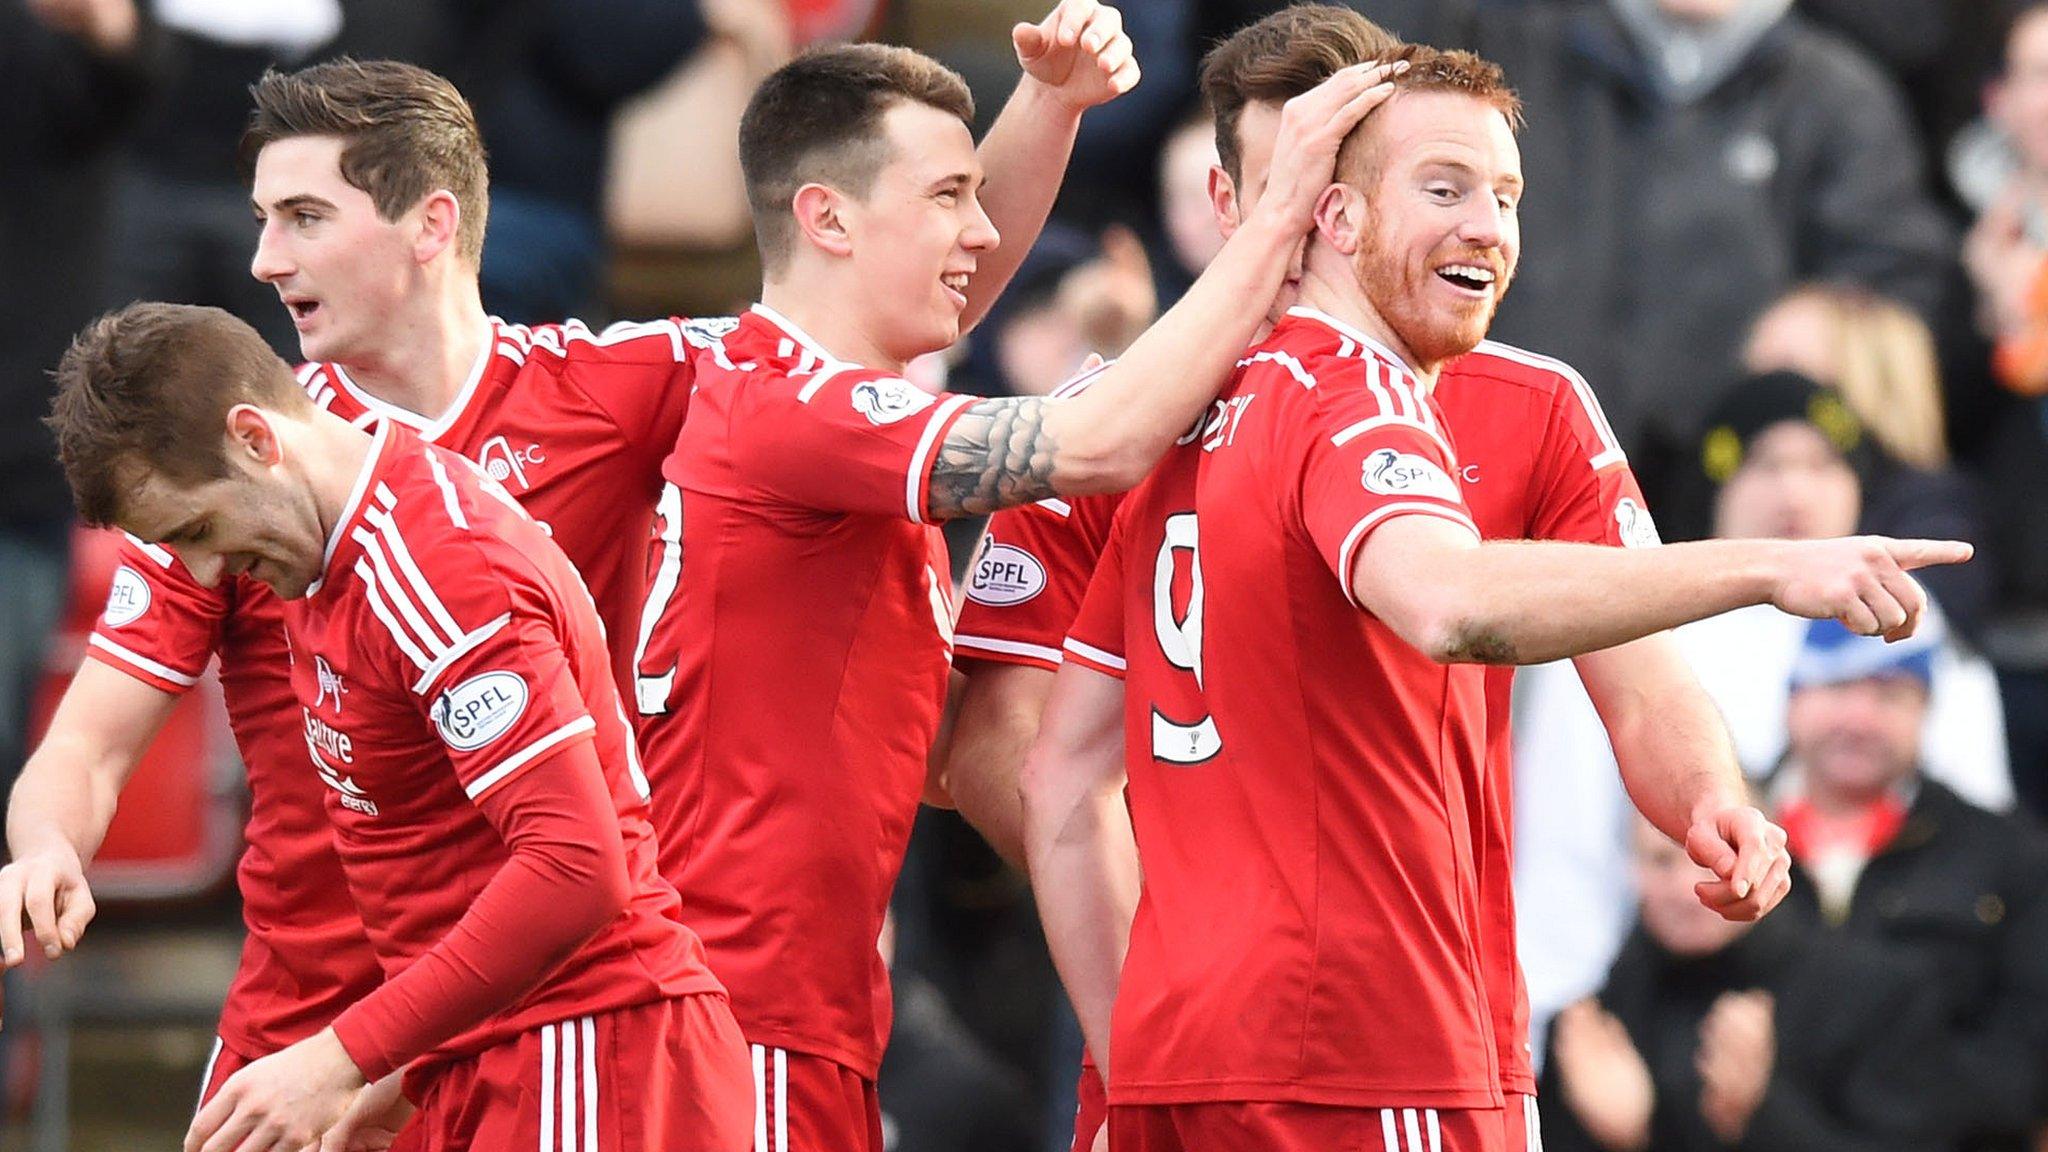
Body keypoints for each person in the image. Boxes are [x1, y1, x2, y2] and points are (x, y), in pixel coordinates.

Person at [1, 0, 1134, 1116]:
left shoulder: (607, 389)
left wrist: (1044, 106)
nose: (261, 259)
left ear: (430, 224)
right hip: (309, 1022)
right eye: (263, 218)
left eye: (301, 217)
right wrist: (48, 845)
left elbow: (883, 303)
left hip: (541, 1021)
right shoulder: (241, 468)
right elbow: (90, 748)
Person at [1022, 42, 1969, 1152]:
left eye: (1506, 194)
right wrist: (1764, 566)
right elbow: (1449, 601)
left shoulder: (1156, 419)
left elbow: (1059, 771)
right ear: (1326, 212)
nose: (1487, 225)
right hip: (1374, 1037)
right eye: (1443, 188)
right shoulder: (1349, 394)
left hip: (1184, 1050)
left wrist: (1706, 797)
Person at [942, 6, 1760, 1144]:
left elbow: (1641, 675)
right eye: (1291, 183)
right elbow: (1000, 742)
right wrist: (1160, 985)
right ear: (1229, 204)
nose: (1315, 218)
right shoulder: (1104, 430)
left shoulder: (1531, 405)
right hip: (1348, 1042)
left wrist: (1707, 796)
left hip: (1293, 1031)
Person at [622, 35, 1401, 1152]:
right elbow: (1100, 440)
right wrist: (1281, 217)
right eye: (947, 197)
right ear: (829, 222)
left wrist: (1050, 102)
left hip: (794, 1008)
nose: (981, 235)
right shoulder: (796, 411)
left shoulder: (807, 397)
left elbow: (939, 758)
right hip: (723, 1016)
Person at [46, 301, 754, 1152]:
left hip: (591, 1057)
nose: (207, 568)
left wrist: (339, 1057)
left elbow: (577, 866)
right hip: (482, 1049)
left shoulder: (432, 562)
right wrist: (399, 1069)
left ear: (257, 440)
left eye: (200, 528)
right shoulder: (326, 562)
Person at [1513, 369, 2013, 1055]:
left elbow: (1982, 851)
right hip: (1655, 1012)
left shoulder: (1919, 635)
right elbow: (1565, 855)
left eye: (1822, 464)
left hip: (1874, 1021)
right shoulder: (1627, 627)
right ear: (1717, 478)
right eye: (1765, 463)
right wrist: (1562, 1030)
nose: (1794, 491)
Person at [1770, 617, 2048, 1151]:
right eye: (1836, 686)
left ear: (1927, 711)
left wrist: (1880, 1093)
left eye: (1890, 694)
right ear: (1792, 701)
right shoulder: (1721, 842)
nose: (1859, 718)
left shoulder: (2009, 858)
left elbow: (2029, 1059)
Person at [1539, 818, 1949, 1152]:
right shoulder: (1595, 1025)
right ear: (1632, 872)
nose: (1688, 890)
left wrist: (1762, 1115)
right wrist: (1623, 1137)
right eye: (1662, 861)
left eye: (1713, 862)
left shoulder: (1872, 992)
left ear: (1765, 861)